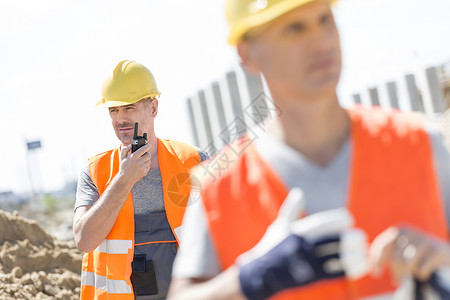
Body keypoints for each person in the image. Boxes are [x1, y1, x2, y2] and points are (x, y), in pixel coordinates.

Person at [167, 0, 450, 299]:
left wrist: (445, 262)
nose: (322, 41)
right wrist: (251, 277)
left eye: (325, 19)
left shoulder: (421, 144)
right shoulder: (217, 189)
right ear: (247, 54)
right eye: (295, 28)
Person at [73, 60, 208, 300]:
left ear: (153, 107)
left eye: (129, 108)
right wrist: (124, 180)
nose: (120, 119)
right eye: (113, 110)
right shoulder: (96, 171)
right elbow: (84, 239)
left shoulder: (193, 160)